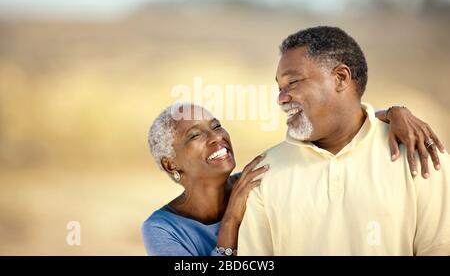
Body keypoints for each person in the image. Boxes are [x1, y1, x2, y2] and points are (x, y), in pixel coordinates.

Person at [237, 26, 450, 255]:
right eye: (280, 88)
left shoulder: (420, 155)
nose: (281, 98)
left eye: (293, 82)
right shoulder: (263, 173)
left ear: (340, 78)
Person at [142, 99, 444, 255]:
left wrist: (393, 112)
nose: (216, 138)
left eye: (216, 125)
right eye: (196, 134)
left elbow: (327, 128)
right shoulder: (162, 229)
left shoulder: (258, 181)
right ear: (171, 166)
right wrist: (232, 220)